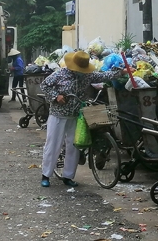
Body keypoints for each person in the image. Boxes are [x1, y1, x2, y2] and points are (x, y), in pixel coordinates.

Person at [40, 50, 123, 187]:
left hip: (76, 115)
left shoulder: (87, 76)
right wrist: (56, 96)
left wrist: (121, 72)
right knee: (53, 145)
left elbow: (103, 76)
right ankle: (46, 175)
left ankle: (68, 176)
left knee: (74, 145)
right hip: (58, 114)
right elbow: (45, 85)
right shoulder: (60, 74)